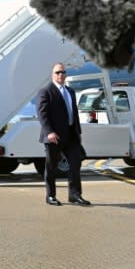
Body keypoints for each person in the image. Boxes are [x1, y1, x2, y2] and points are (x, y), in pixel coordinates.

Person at [36, 63, 90, 206]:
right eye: (57, 72)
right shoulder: (45, 91)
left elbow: (73, 113)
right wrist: (49, 132)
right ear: (52, 74)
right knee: (51, 167)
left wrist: (78, 131)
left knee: (75, 165)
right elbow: (42, 114)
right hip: (54, 136)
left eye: (63, 72)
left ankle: (74, 195)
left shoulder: (70, 91)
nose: (61, 74)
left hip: (71, 135)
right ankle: (50, 196)